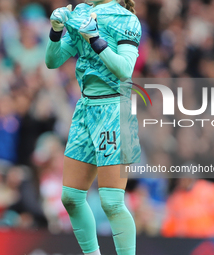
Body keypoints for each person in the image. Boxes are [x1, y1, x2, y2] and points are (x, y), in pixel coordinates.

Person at [45, 0, 141, 254]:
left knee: (111, 201)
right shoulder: (81, 14)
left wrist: (95, 38)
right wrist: (56, 30)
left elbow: (125, 69)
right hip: (85, 109)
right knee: (71, 197)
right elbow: (52, 61)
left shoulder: (126, 20)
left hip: (114, 109)